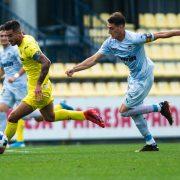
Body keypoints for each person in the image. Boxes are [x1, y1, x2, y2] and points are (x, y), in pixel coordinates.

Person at [66, 12, 175, 152]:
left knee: (123, 112)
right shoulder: (110, 43)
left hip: (144, 77)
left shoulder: (135, 38)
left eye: (111, 28)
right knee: (134, 112)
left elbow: (160, 34)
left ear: (121, 27)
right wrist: (75, 69)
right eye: (108, 27)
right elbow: (93, 60)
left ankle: (160, 107)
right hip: (134, 77)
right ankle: (151, 143)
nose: (108, 30)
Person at [3, 20, 105, 146]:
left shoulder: (28, 47)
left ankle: (2, 144)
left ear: (18, 34)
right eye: (6, 36)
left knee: (13, 117)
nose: (8, 39)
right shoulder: (25, 39)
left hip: (38, 90)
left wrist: (38, 85)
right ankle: (86, 114)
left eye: (10, 36)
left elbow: (46, 62)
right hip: (43, 88)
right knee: (49, 117)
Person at [0, 25, 75, 148]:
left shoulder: (16, 49)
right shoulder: (2, 53)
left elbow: (26, 65)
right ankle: (6, 138)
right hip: (8, 86)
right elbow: (3, 70)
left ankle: (13, 140)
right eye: (2, 36)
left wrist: (15, 76)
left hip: (20, 85)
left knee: (32, 116)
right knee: (4, 110)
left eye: (6, 36)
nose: (4, 38)